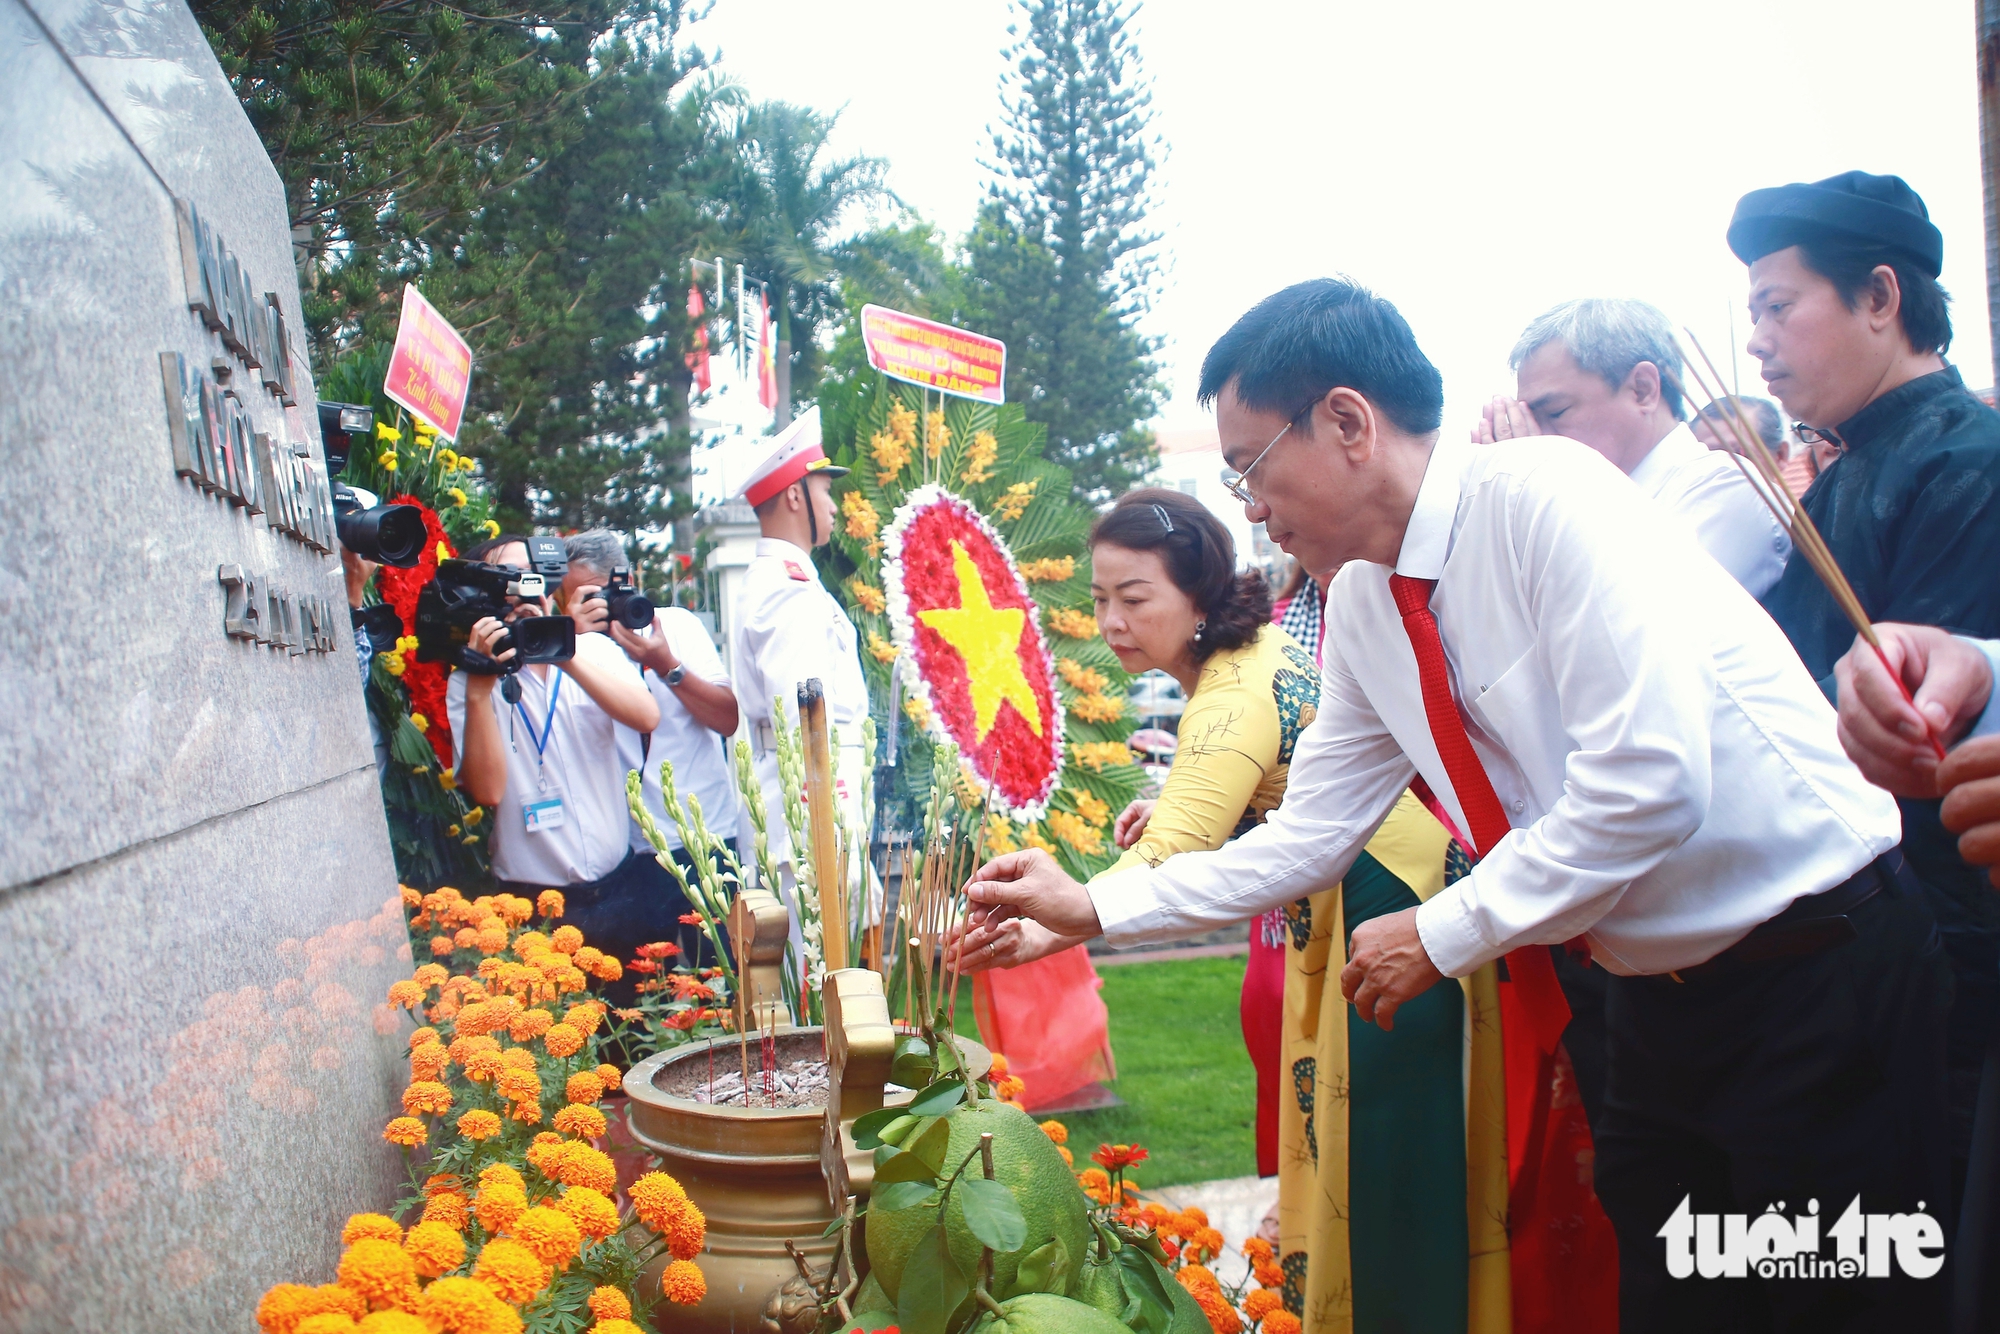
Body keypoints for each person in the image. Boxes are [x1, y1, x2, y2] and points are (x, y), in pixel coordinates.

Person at [958, 278, 1943, 1333]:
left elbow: (1648, 779)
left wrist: (1443, 928)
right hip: (1653, 1012)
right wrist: (1093, 905)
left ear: (1345, 421)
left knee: (1839, 1306)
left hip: (1815, 974)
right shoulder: (1368, 603)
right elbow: (1310, 831)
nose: (1248, 503)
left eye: (1250, 463)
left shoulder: (1544, 499)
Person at [972, 488, 1466, 1324]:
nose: (1112, 622)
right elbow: (1243, 795)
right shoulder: (1250, 655)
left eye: (1135, 599)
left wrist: (1049, 925)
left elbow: (1170, 853)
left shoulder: (1228, 699)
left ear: (1198, 598)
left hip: (1384, 914)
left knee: (1386, 1171)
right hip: (1372, 895)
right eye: (1099, 599)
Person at [1729, 168, 2000, 1207]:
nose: (1755, 340)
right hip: (1860, 954)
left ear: (1879, 297)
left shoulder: (1966, 463)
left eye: (1775, 305)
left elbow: (1920, 742)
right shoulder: (1836, 478)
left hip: (1939, 953)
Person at [446, 533, 662, 998]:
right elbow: (487, 791)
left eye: (533, 576)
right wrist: (481, 687)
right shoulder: (470, 678)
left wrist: (565, 654)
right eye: (509, 579)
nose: (525, 590)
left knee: (632, 1042)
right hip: (535, 906)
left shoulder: (593, 650)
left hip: (618, 890)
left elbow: (646, 715)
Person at [1476, 297, 1790, 598]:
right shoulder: (1601, 491)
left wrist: (1537, 496)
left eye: (1556, 412)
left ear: (1643, 389)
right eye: (1528, 416)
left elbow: (1625, 626)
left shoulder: (1726, 486)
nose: (1537, 436)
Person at [561, 530, 742, 966]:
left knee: (722, 974)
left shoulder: (675, 625)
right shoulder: (566, 653)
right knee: (649, 989)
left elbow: (727, 718)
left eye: (593, 594)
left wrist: (666, 664)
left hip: (705, 834)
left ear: (622, 580)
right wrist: (575, 643)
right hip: (629, 851)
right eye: (571, 599)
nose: (591, 608)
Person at [729, 407, 872, 905]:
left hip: (810, 809)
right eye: (824, 490)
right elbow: (802, 718)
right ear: (794, 494)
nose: (833, 505)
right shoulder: (788, 591)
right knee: (824, 974)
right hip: (812, 819)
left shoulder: (783, 582)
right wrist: (825, 829)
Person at [1689, 394, 1824, 498]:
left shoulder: (1805, 526)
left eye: (1739, 455)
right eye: (1706, 458)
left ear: (1780, 455)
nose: (1721, 471)